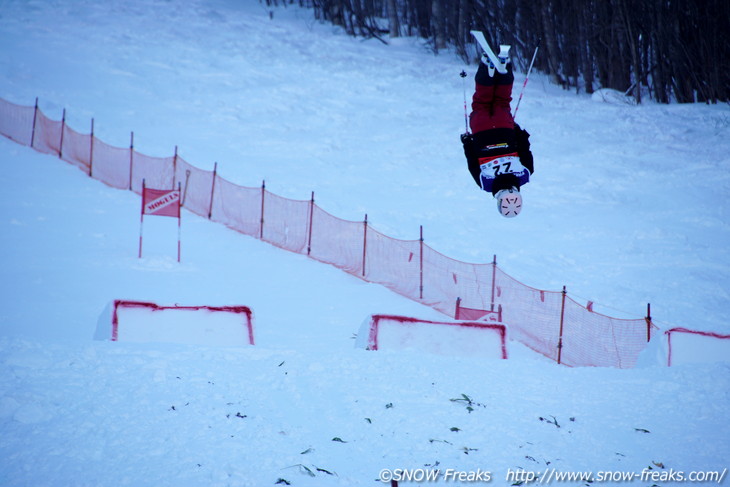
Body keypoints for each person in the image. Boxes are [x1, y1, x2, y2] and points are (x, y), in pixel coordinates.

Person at [461, 47, 534, 218]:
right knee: (481, 102)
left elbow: (525, 149)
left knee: (502, 101)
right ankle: (487, 67)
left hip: (504, 129)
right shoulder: (484, 183)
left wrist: (518, 132)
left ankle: (504, 67)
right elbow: (472, 161)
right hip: (481, 131)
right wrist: (467, 142)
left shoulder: (525, 174)